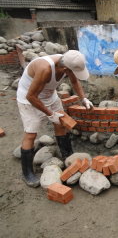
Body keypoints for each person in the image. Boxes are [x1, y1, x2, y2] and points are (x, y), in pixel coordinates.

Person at [17, 50, 93, 187]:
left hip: (49, 96)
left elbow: (75, 82)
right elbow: (31, 97)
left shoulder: (68, 61)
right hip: (29, 99)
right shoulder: (44, 69)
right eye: (70, 72)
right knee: (31, 134)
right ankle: (27, 173)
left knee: (61, 124)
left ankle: (66, 155)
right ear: (65, 68)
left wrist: (84, 98)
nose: (71, 75)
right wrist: (50, 114)